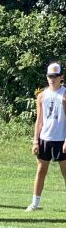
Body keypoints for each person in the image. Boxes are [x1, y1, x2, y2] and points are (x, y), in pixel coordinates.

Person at [27, 61, 66, 211]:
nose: (52, 78)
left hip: (60, 139)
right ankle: (34, 203)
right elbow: (39, 119)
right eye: (50, 76)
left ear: (61, 77)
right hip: (45, 138)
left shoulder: (64, 94)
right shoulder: (42, 95)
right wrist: (35, 141)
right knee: (41, 170)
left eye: (55, 76)